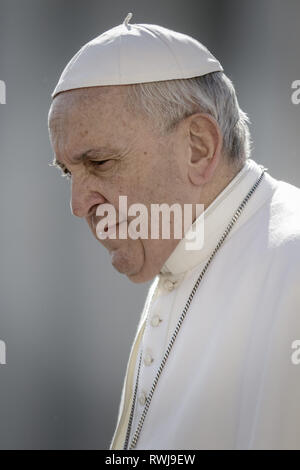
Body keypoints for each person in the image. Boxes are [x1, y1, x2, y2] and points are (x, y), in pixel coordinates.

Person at [48, 13, 300, 450]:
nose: (77, 205)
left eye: (101, 163)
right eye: (68, 172)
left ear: (198, 148)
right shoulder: (186, 253)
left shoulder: (292, 261)